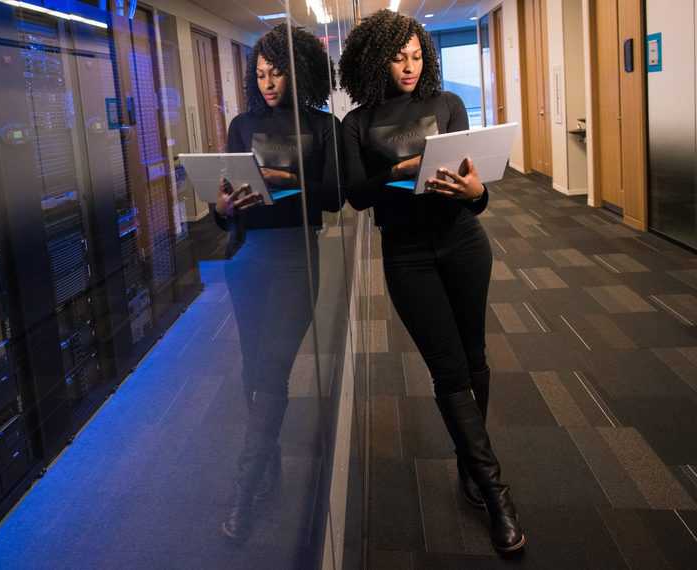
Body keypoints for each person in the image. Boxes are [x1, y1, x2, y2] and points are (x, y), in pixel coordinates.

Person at [338, 10, 525, 554]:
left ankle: (471, 466)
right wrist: (401, 171)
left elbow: (477, 189)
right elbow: (356, 193)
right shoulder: (358, 122)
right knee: (447, 370)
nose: (410, 67)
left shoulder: (448, 105)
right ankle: (496, 494)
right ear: (377, 59)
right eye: (399, 57)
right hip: (407, 255)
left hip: (463, 242)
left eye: (418, 56)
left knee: (474, 357)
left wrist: (475, 193)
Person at [212, 23, 341, 542]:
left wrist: (288, 180)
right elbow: (226, 209)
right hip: (247, 259)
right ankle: (268, 468)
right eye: (261, 74)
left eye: (277, 71)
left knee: (273, 371)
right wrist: (222, 208)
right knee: (253, 371)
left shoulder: (321, 125)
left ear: (298, 69)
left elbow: (334, 198)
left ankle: (245, 491)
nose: (268, 82)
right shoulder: (241, 125)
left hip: (295, 261)